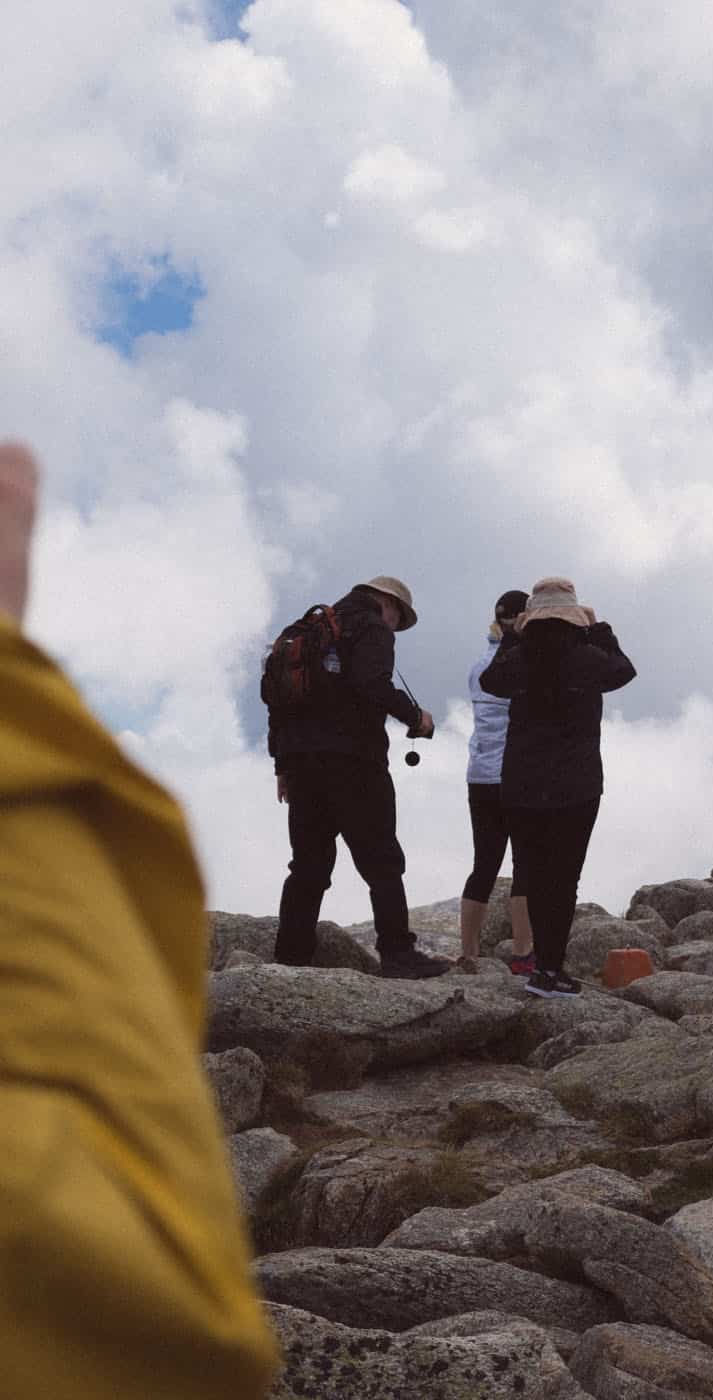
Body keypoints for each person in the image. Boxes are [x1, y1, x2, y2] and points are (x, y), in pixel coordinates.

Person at [0, 441, 279, 1397]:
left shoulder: (310, 640)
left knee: (317, 867)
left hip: (313, 777)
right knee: (377, 862)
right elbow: (126, 1311)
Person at [267, 573, 448, 977]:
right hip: (355, 762)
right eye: (398, 620)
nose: (395, 627)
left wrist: (282, 764)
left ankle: (291, 958)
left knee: (309, 866)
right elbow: (372, 684)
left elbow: (278, 701)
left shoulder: (307, 630)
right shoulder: (371, 627)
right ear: (388, 604)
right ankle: (398, 953)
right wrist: (416, 718)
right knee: (382, 859)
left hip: (302, 765)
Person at [479, 577, 636, 998]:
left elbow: (490, 681)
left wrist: (513, 638)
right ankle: (550, 968)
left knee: (531, 872)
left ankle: (538, 971)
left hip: (521, 782)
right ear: (573, 614)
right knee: (564, 879)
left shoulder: (520, 657)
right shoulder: (587, 655)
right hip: (576, 784)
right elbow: (624, 669)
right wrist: (598, 627)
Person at [462, 589, 535, 973]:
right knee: (525, 864)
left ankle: (469, 953)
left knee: (484, 865)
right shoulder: (521, 662)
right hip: (517, 773)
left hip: (479, 775)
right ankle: (524, 953)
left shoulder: (480, 663)